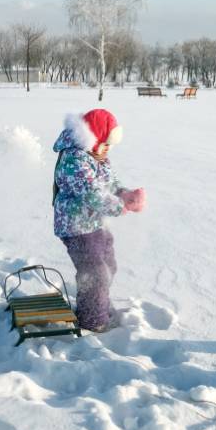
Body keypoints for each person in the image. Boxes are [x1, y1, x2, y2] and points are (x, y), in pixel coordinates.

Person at [52, 109, 145, 332]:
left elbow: (109, 183)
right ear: (92, 138)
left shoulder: (97, 157)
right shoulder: (74, 160)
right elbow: (92, 193)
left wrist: (125, 193)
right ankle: (93, 321)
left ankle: (96, 303)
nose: (108, 149)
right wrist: (119, 206)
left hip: (94, 224)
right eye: (106, 144)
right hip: (76, 227)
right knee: (95, 273)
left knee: (108, 265)